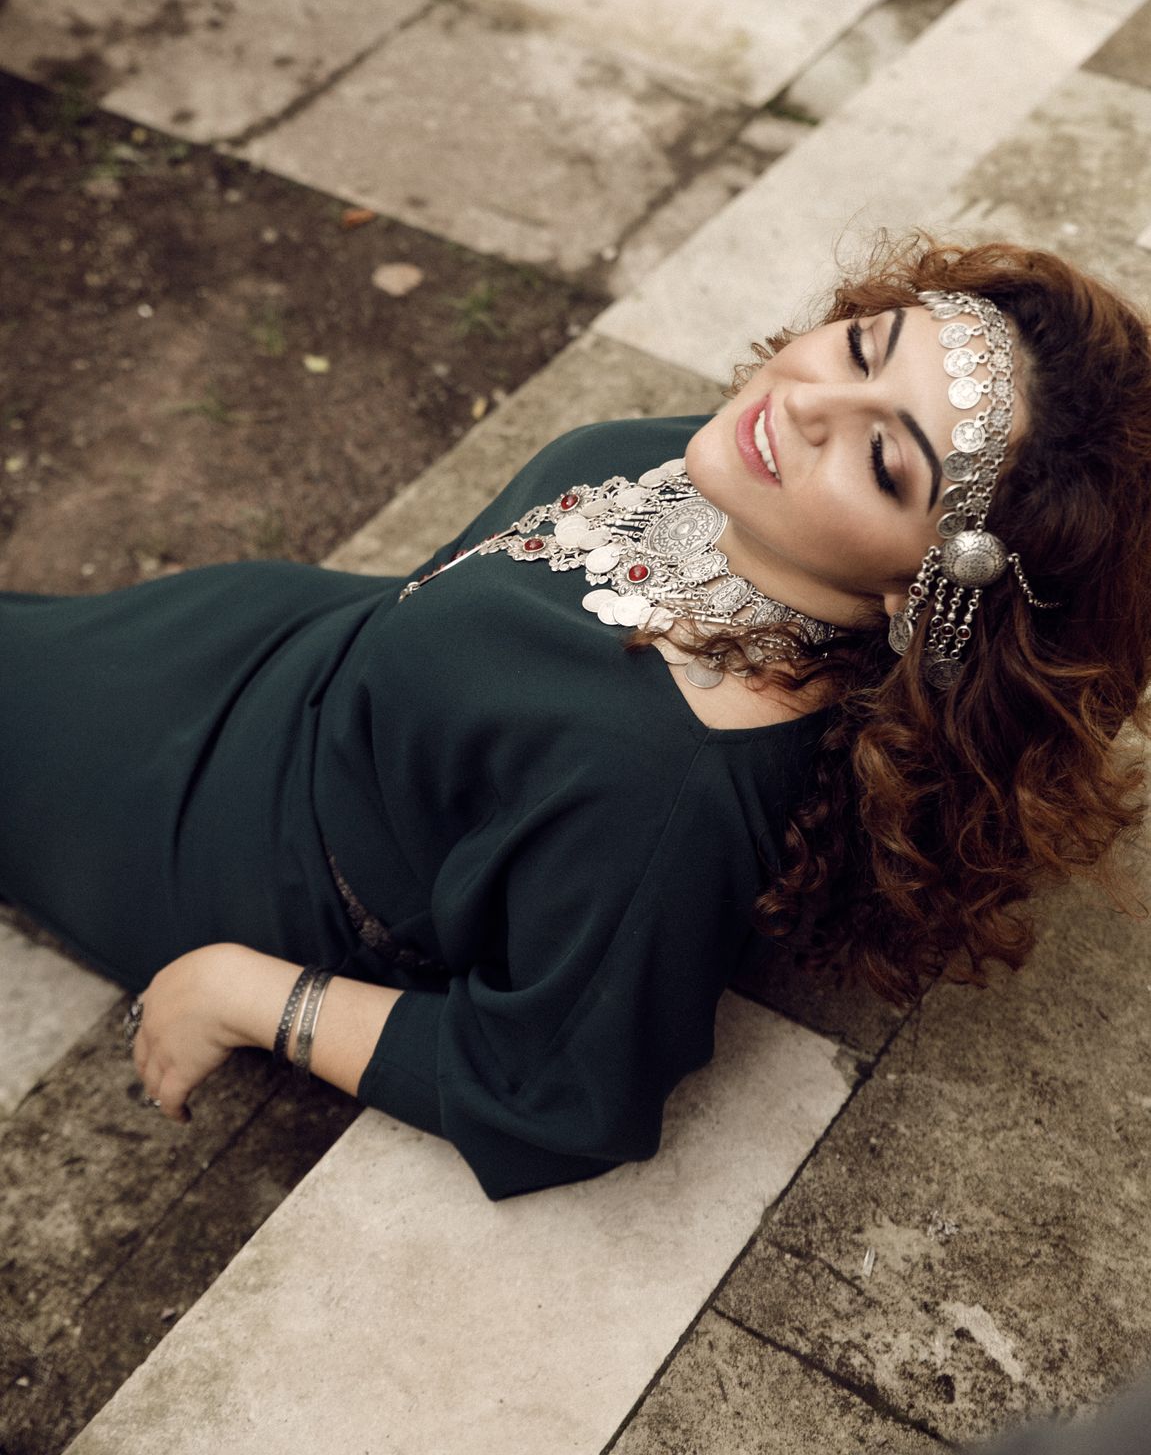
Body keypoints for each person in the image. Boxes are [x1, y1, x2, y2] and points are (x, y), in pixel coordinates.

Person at [3, 233, 1150, 1200]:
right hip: (248, 655)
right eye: (861, 347)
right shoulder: (746, 485)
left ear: (924, 592)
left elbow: (555, 1094)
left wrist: (253, 995)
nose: (803, 400)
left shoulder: (660, 778)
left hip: (215, 842)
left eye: (881, 455)